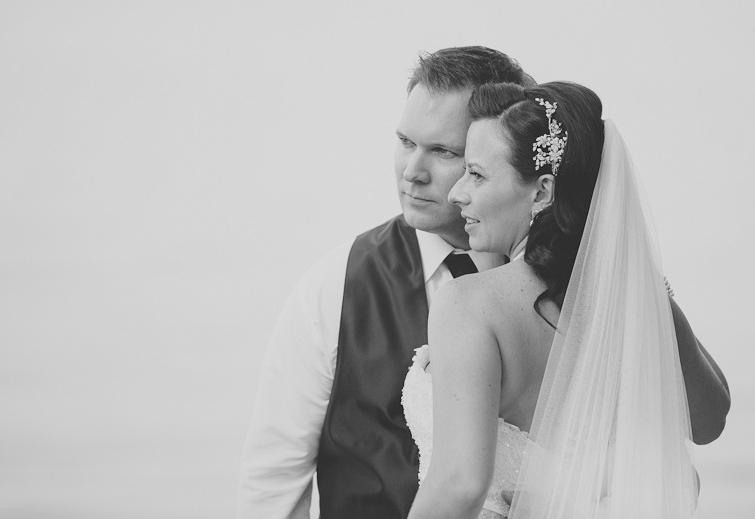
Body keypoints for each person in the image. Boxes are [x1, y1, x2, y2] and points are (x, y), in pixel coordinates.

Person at [237, 48, 729, 519]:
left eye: (454, 157)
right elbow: (273, 474)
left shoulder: (481, 301)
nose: (418, 174)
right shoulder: (336, 283)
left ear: (536, 179)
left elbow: (460, 484)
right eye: (406, 142)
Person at [402, 81, 731, 519]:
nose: (457, 193)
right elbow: (709, 423)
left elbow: (459, 483)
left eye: (477, 174)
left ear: (541, 192)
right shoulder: (630, 302)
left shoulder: (469, 305)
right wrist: (652, 298)